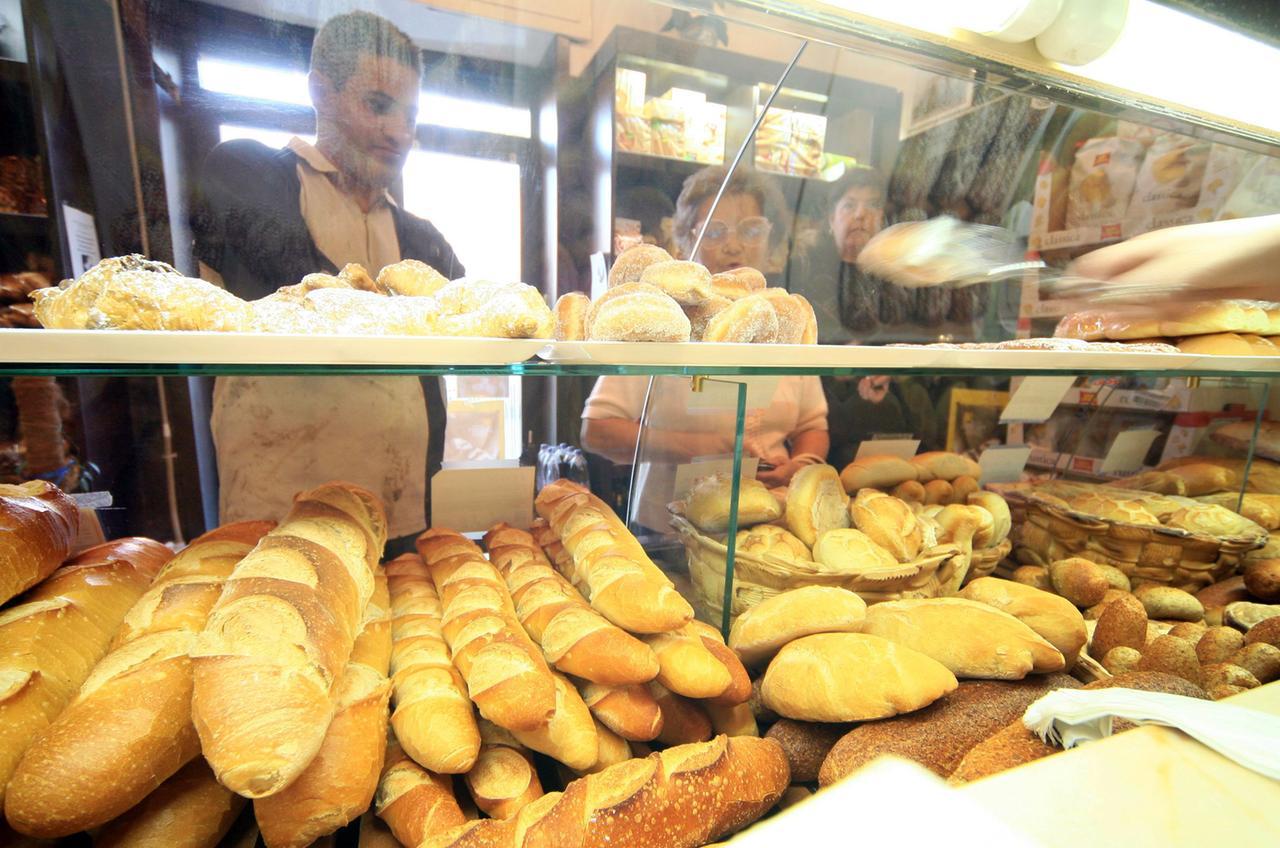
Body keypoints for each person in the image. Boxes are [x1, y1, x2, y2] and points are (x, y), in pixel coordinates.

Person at [193, 11, 462, 555]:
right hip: (275, 506)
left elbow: (474, 321)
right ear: (321, 92)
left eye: (410, 114)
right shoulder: (243, 176)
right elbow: (291, 279)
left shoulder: (420, 238)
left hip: (398, 513)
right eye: (378, 105)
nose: (399, 133)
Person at [581, 166, 829, 532]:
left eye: (751, 229)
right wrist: (701, 445)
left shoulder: (786, 326)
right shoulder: (662, 322)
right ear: (685, 246)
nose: (734, 245)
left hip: (767, 527)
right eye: (714, 231)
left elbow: (813, 424)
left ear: (772, 243)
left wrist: (803, 463)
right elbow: (597, 431)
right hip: (667, 531)